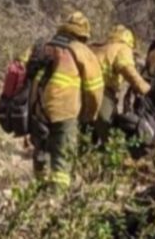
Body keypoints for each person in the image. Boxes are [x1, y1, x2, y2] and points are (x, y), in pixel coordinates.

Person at [28, 11, 104, 187]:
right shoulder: (81, 51)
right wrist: (89, 115)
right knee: (62, 159)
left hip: (38, 107)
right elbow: (94, 89)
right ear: (84, 34)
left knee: (42, 152)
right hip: (65, 110)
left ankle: (38, 194)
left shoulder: (44, 46)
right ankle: (56, 199)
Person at [92, 25, 150, 142]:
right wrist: (146, 89)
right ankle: (108, 153)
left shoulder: (97, 47)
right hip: (102, 90)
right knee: (106, 127)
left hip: (82, 89)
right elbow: (128, 71)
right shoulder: (122, 48)